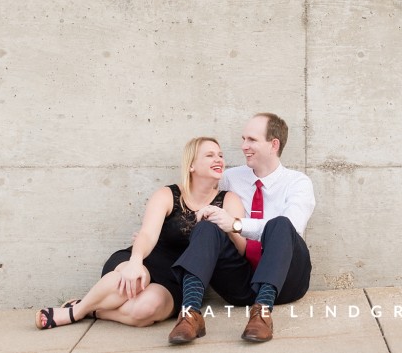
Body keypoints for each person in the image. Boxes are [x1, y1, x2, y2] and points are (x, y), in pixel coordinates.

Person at [35, 137, 246, 329]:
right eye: (209, 155)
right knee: (135, 279)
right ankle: (73, 313)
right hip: (146, 260)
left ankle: (93, 309)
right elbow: (147, 235)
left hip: (177, 278)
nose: (218, 159)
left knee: (146, 310)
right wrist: (136, 261)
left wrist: (227, 224)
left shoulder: (228, 200)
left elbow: (241, 250)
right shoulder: (168, 194)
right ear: (191, 165)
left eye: (220, 155)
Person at [168, 112, 315, 344]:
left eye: (252, 140)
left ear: (273, 144)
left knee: (281, 224)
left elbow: (293, 228)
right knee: (207, 226)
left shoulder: (298, 183)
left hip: (286, 282)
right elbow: (195, 194)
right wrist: (157, 233)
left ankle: (262, 313)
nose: (243, 146)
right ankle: (190, 314)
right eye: (243, 139)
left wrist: (236, 224)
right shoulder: (230, 178)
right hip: (240, 281)